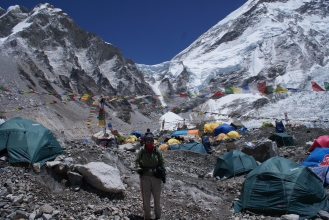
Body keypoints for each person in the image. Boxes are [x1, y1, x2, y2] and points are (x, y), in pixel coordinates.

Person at [135, 140, 166, 220]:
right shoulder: (142, 151)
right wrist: (139, 169)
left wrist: (163, 174)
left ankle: (158, 216)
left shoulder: (157, 151)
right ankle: (147, 217)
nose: (148, 142)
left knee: (157, 198)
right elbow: (137, 161)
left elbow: (162, 162)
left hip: (156, 177)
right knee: (146, 198)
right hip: (145, 177)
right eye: (147, 140)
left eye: (150, 140)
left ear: (153, 141)